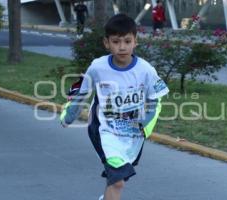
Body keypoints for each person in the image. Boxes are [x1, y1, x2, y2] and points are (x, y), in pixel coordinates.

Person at [60, 14, 169, 200]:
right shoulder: (98, 67)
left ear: (136, 41)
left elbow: (155, 101)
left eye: (127, 41)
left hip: (132, 134)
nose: (122, 47)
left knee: (116, 180)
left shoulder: (146, 70)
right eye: (116, 41)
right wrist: (68, 115)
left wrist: (145, 125)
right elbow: (82, 93)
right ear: (106, 43)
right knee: (118, 181)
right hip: (104, 131)